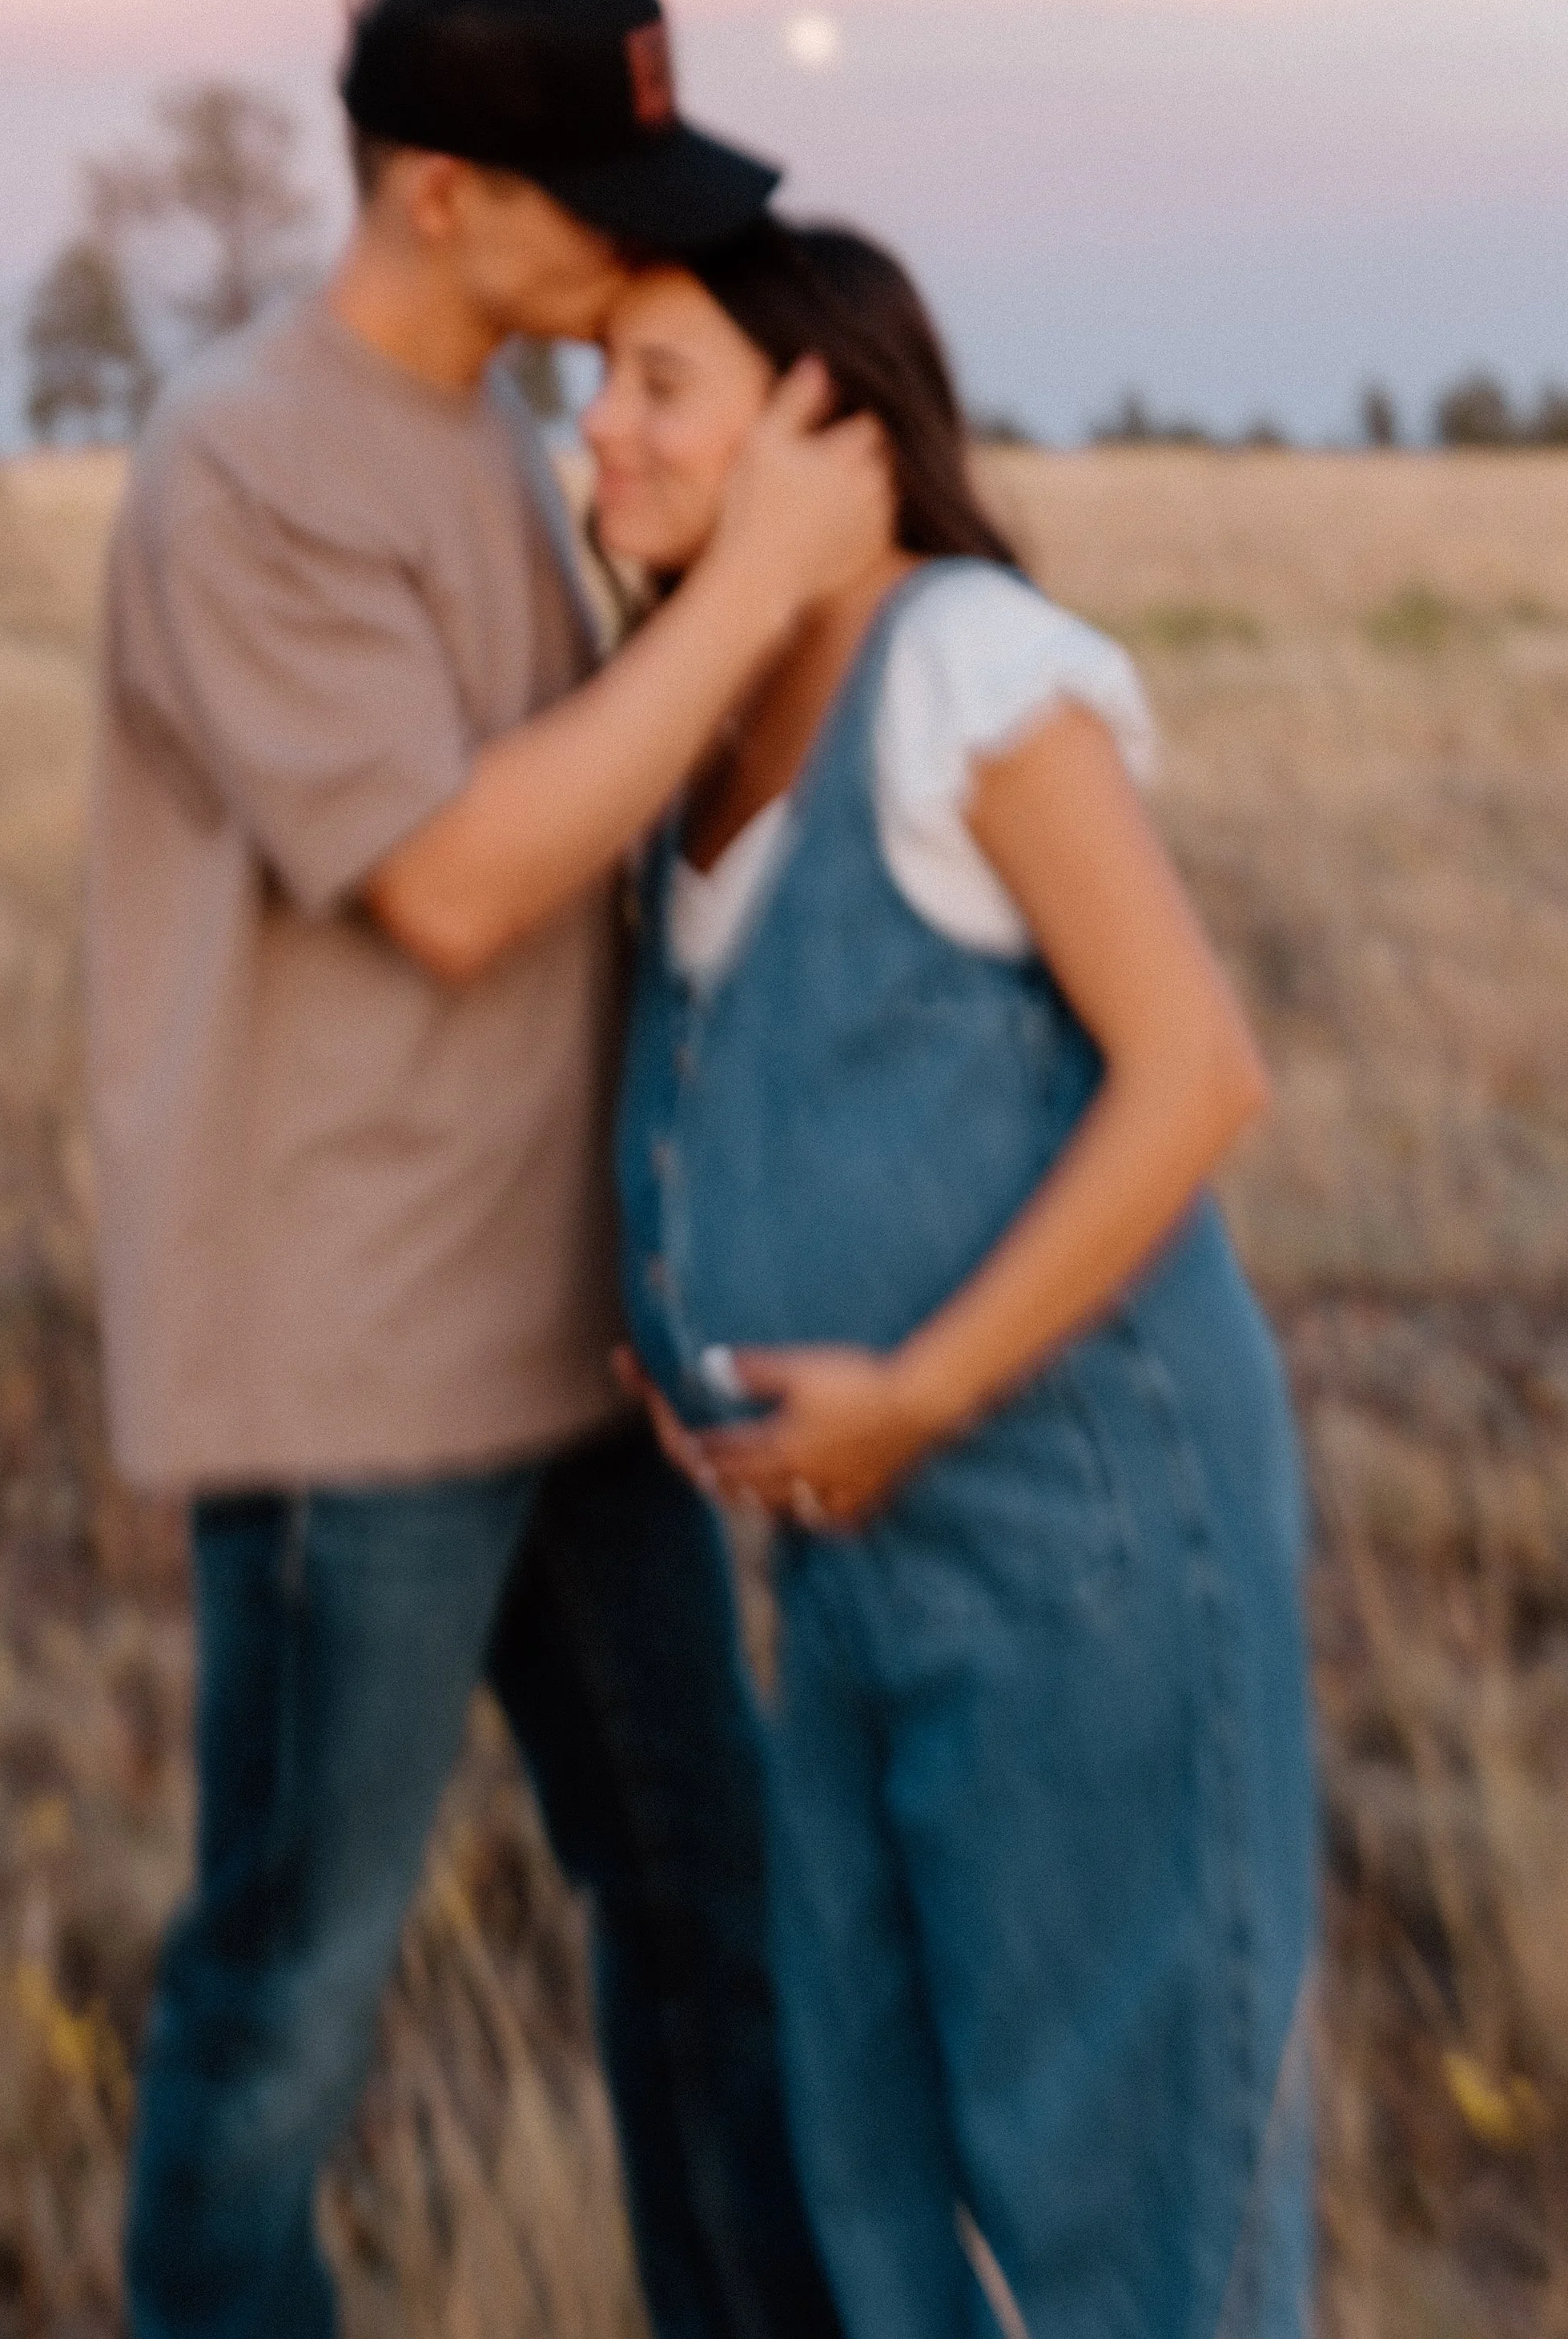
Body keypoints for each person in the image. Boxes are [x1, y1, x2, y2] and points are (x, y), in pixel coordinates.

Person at [88, 0, 890, 2337]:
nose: (637, 242)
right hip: (356, 1382)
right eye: (592, 194)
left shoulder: (493, 437)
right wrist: (751, 588)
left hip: (568, 1350)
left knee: (713, 1910)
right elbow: (447, 885)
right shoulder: (248, 458)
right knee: (289, 1994)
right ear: (438, 191)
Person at [590, 217, 1317, 2339]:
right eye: (595, 381)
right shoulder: (706, 708)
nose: (601, 429)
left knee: (1124, 2184)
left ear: (821, 417)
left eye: (658, 382)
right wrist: (679, 1322)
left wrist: (916, 1394)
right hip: (851, 1560)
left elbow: (1195, 1071)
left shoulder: (963, 667)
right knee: (883, 2165)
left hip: (1083, 1537)